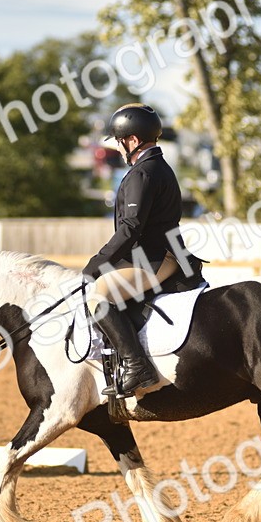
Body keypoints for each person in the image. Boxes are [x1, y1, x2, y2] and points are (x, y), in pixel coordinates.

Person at [83, 103, 182, 398]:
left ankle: (136, 364)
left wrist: (97, 262)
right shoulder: (158, 166)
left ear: (133, 141)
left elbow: (130, 227)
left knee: (99, 295)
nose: (118, 147)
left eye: (119, 140)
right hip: (160, 252)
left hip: (154, 257)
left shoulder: (143, 172)